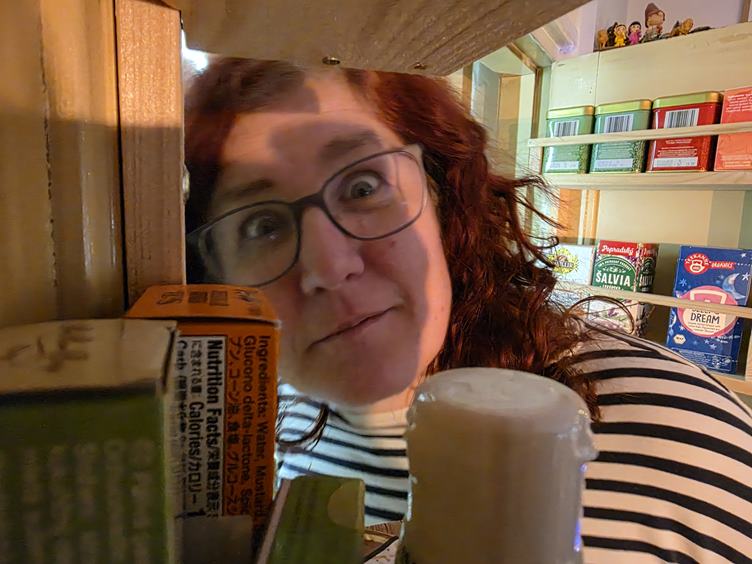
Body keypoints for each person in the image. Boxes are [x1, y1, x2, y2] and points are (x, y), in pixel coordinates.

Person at [184, 58, 752, 563]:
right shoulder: (246, 438)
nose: (329, 267)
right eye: (261, 225)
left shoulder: (681, 437)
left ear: (445, 199)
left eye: (362, 187)